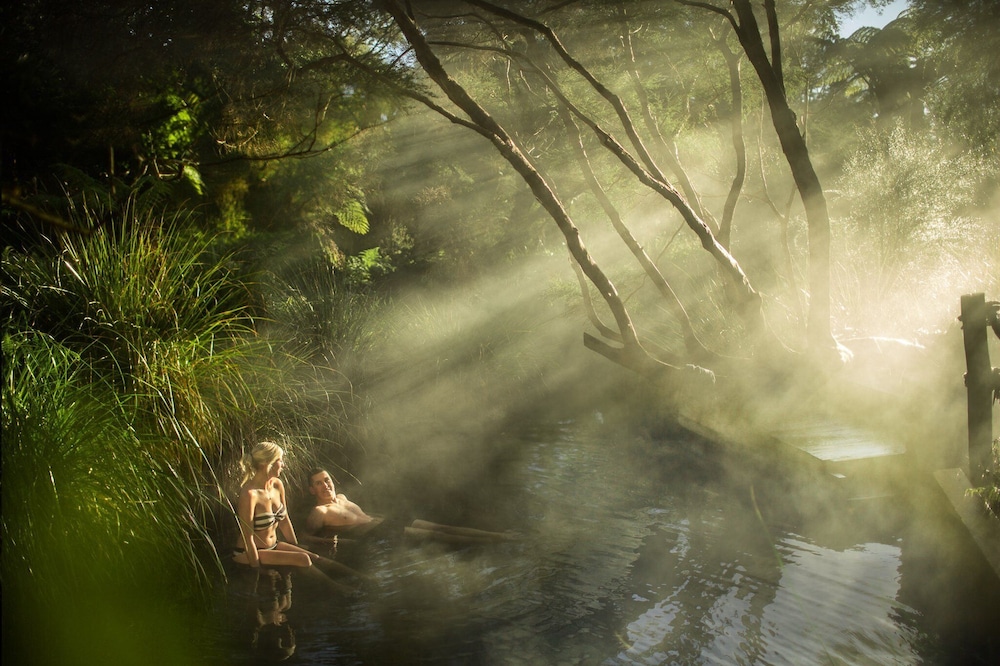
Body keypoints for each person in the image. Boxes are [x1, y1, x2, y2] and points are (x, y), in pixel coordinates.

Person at [232, 442, 363, 591]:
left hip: (273, 546)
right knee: (303, 559)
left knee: (314, 556)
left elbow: (284, 521)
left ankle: (363, 577)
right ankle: (339, 588)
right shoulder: (249, 494)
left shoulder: (277, 485)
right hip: (248, 553)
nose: (283, 465)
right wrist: (257, 570)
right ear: (268, 464)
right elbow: (247, 537)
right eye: (280, 460)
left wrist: (295, 546)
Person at [304, 468, 518, 546]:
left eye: (327, 480)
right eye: (319, 483)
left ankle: (500, 536)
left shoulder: (342, 497)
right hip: (380, 533)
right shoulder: (319, 512)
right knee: (439, 537)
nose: (326, 485)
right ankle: (493, 543)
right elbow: (306, 537)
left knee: (441, 527)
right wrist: (337, 541)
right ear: (312, 490)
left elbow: (364, 515)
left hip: (387, 522)